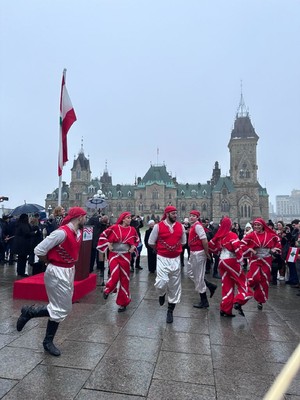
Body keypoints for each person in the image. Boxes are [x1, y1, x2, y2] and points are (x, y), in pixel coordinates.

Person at [16, 207, 87, 356]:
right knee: (61, 308)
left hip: (68, 270)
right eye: (84, 217)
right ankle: (41, 331)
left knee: (62, 308)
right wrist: (49, 262)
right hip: (57, 271)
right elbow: (39, 250)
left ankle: (35, 321)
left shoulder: (78, 232)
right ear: (79, 217)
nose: (86, 219)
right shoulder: (61, 233)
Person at [148, 206, 186, 324]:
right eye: (173, 213)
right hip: (162, 258)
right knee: (161, 282)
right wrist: (161, 249)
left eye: (176, 213)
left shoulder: (181, 227)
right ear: (167, 214)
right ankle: (161, 293)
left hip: (175, 259)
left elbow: (183, 242)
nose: (175, 215)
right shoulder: (158, 226)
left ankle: (170, 311)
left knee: (174, 286)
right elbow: (150, 242)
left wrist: (174, 249)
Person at [209, 216, 253, 317]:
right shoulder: (232, 235)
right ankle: (239, 301)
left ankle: (225, 309)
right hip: (231, 261)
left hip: (222, 261)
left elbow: (212, 247)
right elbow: (237, 248)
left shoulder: (219, 236)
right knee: (242, 282)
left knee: (227, 285)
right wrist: (241, 261)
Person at [97, 212, 139, 312]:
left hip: (125, 255)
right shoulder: (114, 227)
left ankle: (123, 303)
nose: (130, 219)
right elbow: (103, 236)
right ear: (123, 219)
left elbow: (136, 240)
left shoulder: (132, 230)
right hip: (114, 255)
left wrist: (133, 246)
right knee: (115, 275)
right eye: (128, 218)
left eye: (130, 218)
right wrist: (108, 244)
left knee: (125, 279)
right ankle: (107, 290)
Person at [241, 217, 281, 310]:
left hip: (266, 260)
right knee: (254, 277)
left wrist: (274, 249)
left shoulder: (270, 235)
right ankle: (252, 288)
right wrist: (250, 249)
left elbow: (277, 242)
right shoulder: (251, 235)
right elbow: (241, 244)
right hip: (255, 259)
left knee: (264, 280)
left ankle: (260, 300)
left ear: (263, 226)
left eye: (258, 225)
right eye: (255, 225)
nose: (256, 227)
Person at [187, 210, 217, 309]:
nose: (191, 217)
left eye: (194, 216)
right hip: (193, 252)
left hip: (198, 253)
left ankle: (204, 301)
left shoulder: (198, 226)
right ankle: (209, 285)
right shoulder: (193, 226)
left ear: (197, 217)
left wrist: (206, 252)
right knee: (191, 273)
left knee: (199, 277)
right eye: (190, 215)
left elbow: (204, 240)